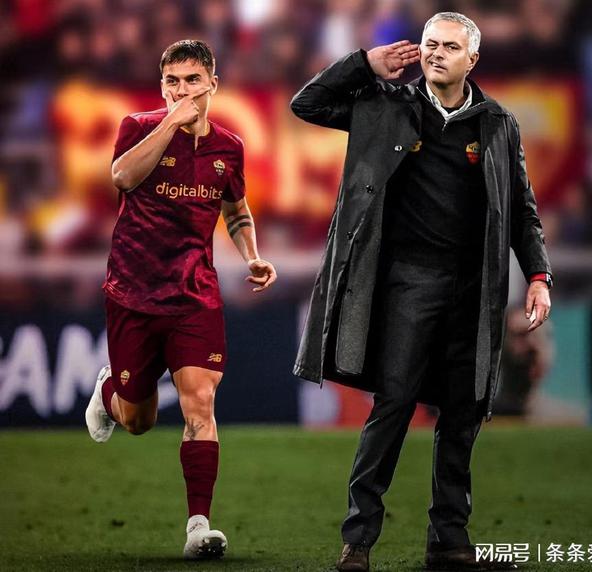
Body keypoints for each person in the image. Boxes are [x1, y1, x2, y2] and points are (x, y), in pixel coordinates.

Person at [290, 12, 552, 572]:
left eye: (449, 47)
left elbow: (522, 210)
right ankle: (358, 541)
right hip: (408, 281)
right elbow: (306, 104)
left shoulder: (497, 124)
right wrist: (363, 65)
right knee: (394, 406)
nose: (436, 53)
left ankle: (449, 543)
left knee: (463, 413)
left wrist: (538, 276)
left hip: (476, 289)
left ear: (472, 60)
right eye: (430, 44)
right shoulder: (386, 107)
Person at [84, 39, 277, 560]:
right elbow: (122, 177)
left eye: (193, 80)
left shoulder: (229, 148)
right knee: (138, 420)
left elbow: (236, 210)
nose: (182, 90)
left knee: (200, 403)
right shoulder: (138, 127)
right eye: (172, 81)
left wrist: (252, 255)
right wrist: (172, 123)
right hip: (133, 293)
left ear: (213, 83)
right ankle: (109, 392)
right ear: (161, 86)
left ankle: (198, 527)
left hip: (195, 294)